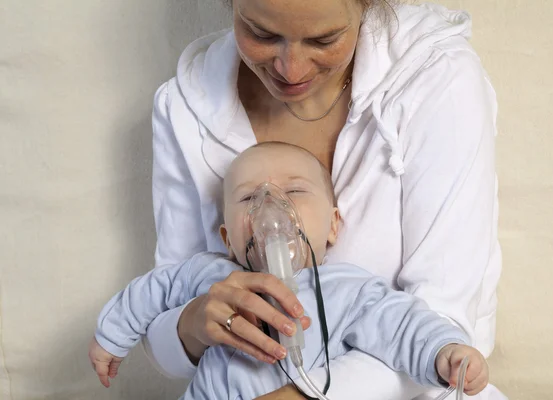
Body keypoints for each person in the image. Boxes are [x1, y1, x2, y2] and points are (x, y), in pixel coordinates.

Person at [142, 1, 504, 399]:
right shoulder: (185, 108)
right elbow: (161, 340)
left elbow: (449, 336)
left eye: (324, 39)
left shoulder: (437, 79)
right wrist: (194, 323)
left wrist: (300, 396)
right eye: (261, 34)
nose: (290, 69)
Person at [89, 143, 489, 399]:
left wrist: (445, 351)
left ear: (333, 225)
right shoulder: (211, 277)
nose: (270, 207)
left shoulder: (345, 290)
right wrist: (111, 336)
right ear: (227, 237)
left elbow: (401, 325)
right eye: (248, 197)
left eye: (295, 191)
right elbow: (152, 292)